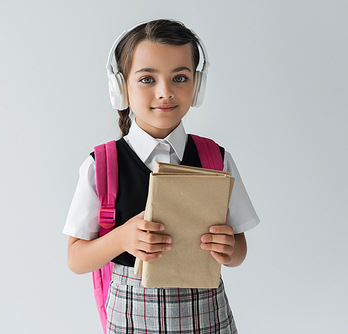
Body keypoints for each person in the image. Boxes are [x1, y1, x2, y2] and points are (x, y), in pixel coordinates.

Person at [63, 19, 259, 334]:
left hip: (207, 315)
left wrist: (229, 248)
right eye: (147, 79)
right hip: (131, 318)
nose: (165, 92)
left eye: (179, 77)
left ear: (197, 85)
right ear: (120, 87)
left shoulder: (215, 159)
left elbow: (239, 250)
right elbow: (76, 259)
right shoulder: (102, 165)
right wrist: (123, 237)